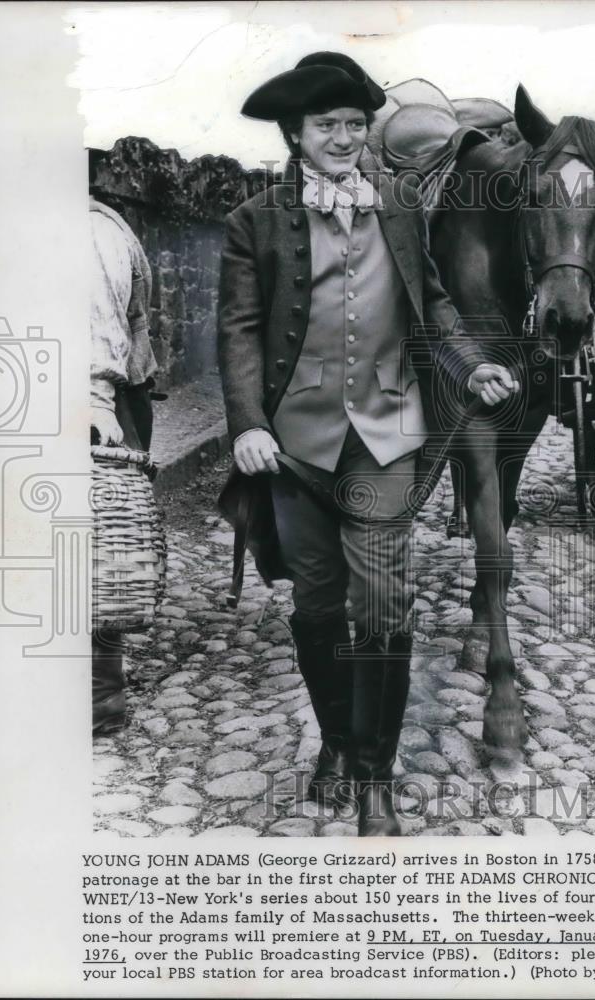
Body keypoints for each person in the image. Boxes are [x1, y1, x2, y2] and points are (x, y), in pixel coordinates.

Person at [217, 52, 516, 836]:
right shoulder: (255, 219)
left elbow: (436, 304)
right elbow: (240, 332)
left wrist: (472, 364)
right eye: (328, 126)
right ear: (295, 132)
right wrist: (248, 423)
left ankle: (375, 779)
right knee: (316, 606)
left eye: (355, 124)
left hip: (385, 433)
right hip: (294, 444)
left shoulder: (399, 204)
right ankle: (339, 745)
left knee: (383, 601)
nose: (345, 137)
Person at [89, 177, 159, 735]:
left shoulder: (90, 228)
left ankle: (99, 701)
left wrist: (94, 401)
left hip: (97, 403)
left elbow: (102, 323)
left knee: (97, 552)